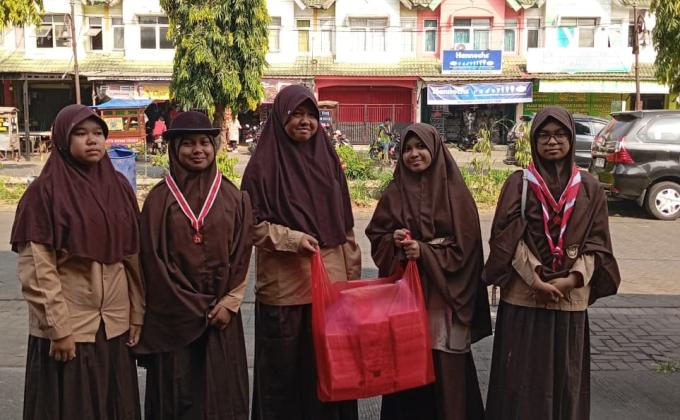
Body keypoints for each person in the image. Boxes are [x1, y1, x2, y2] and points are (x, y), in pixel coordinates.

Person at [483, 106, 621, 420]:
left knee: (565, 381)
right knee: (520, 380)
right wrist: (535, 278)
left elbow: (597, 243)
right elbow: (505, 238)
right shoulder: (519, 184)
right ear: (533, 141)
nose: (552, 141)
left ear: (571, 138)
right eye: (543, 135)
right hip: (524, 298)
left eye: (560, 134)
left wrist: (571, 279)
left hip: (569, 299)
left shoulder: (589, 187)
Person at [11, 104, 144, 420]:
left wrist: (137, 313)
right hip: (71, 329)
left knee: (115, 405)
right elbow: (38, 269)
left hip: (113, 327)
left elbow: (133, 258)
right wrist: (58, 330)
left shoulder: (119, 188)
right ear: (62, 139)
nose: (92, 140)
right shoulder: (44, 193)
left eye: (98, 133)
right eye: (81, 134)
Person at [242, 84, 361, 420]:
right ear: (280, 118)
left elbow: (344, 223)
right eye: (296, 114)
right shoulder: (263, 167)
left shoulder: (328, 160)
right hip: (285, 289)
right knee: (284, 378)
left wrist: (351, 281)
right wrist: (291, 239)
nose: (304, 121)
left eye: (311, 114)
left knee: (328, 371)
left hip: (329, 287)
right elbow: (250, 226)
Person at [365, 123, 492, 420]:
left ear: (435, 149)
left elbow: (468, 249)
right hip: (407, 298)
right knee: (406, 364)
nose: (414, 154)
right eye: (407, 149)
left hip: (445, 297)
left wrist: (426, 253)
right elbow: (377, 236)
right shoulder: (395, 192)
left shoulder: (455, 193)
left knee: (445, 365)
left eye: (421, 147)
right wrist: (394, 240)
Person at [134, 111, 253, 420]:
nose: (198, 150)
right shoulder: (159, 200)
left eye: (204, 142)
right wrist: (189, 305)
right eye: (188, 143)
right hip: (174, 318)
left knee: (221, 394)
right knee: (177, 397)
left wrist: (230, 303)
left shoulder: (233, 197)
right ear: (174, 149)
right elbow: (152, 262)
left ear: (215, 147)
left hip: (221, 316)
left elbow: (242, 254)